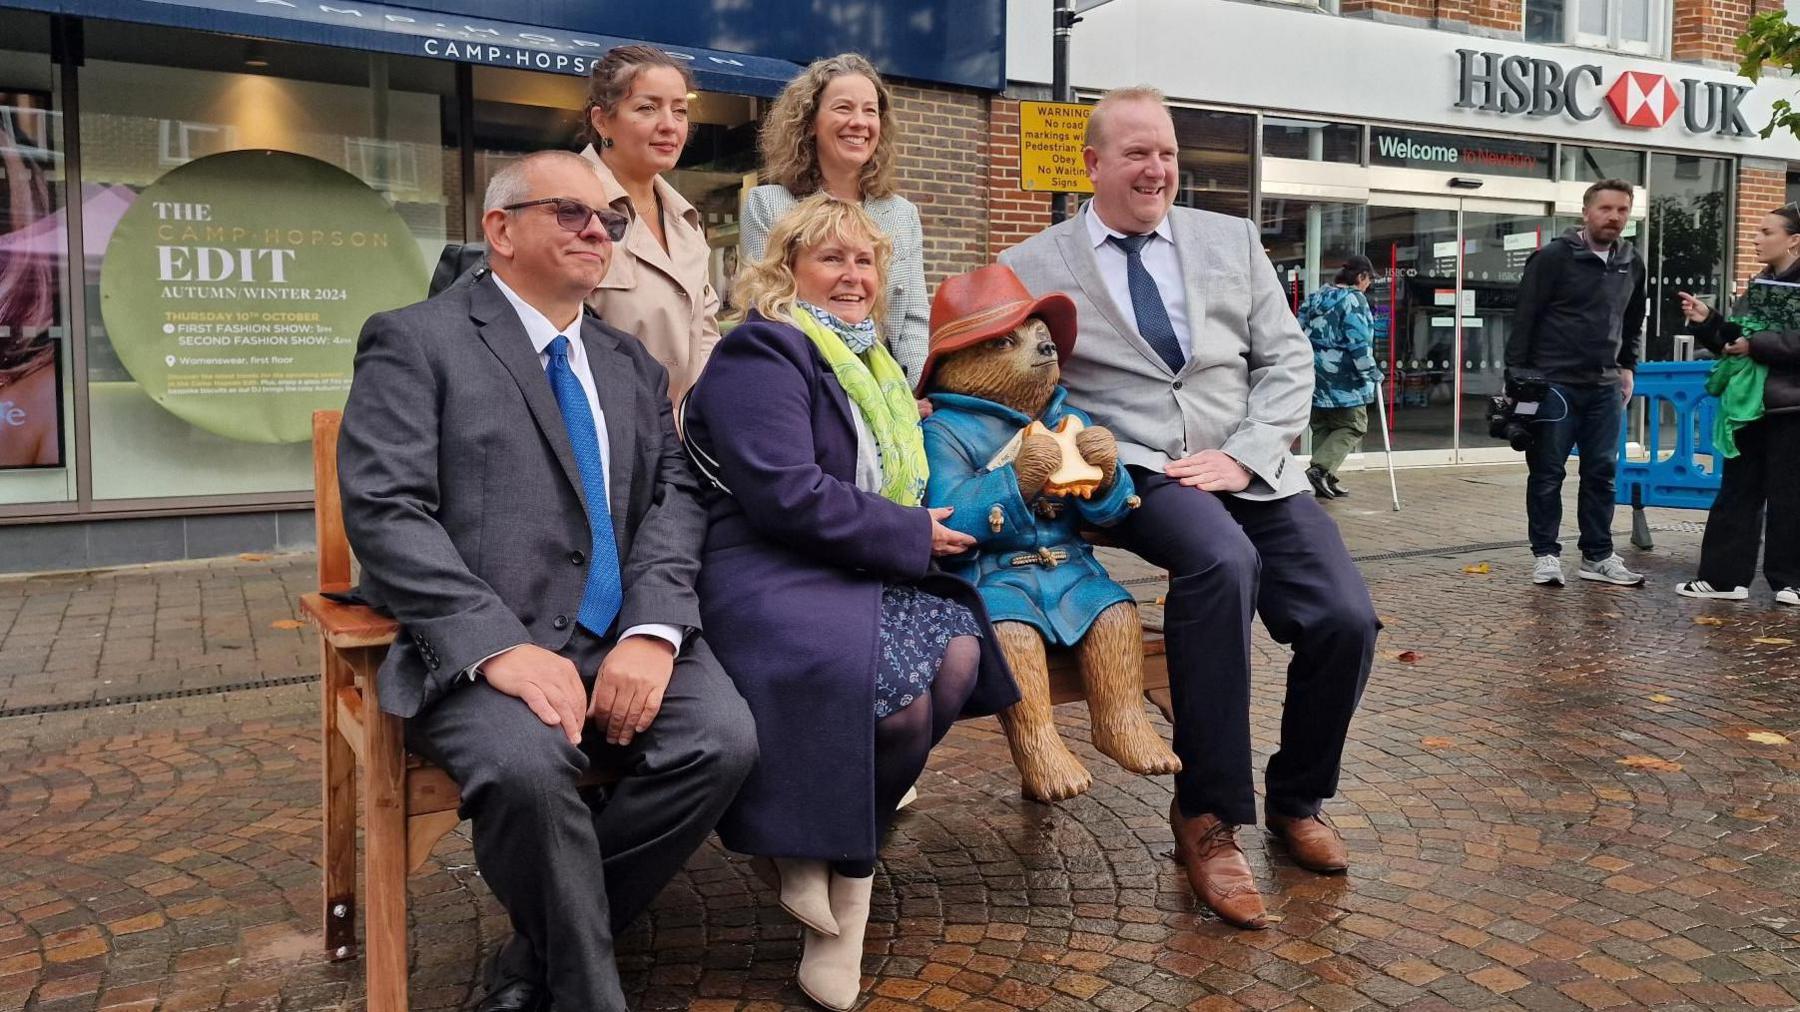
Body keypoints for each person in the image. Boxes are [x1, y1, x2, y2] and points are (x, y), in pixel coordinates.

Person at [337, 150, 757, 1012]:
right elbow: (384, 510)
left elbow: (676, 499)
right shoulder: (416, 340)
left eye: (610, 216)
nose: (597, 229)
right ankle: (583, 990)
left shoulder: (630, 364)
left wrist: (652, 631)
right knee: (527, 770)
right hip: (488, 644)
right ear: (500, 229)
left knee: (723, 742)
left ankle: (538, 952)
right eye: (571, 212)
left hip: (618, 635)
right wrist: (497, 648)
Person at [999, 87, 1379, 931]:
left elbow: (1287, 361)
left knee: (1345, 619)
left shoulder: (1231, 240)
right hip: (1134, 472)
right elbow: (1025, 392)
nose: (1157, 168)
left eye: (1167, 152)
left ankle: (1298, 798)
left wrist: (1244, 455)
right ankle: (1207, 820)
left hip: (1246, 465)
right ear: (1093, 163)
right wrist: (1074, 466)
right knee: (1219, 562)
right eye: (1136, 153)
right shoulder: (1034, 262)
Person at [685, 194, 1018, 1010]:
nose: (852, 275)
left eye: (865, 260)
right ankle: (827, 896)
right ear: (787, 267)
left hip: (857, 564)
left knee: (961, 657)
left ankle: (835, 875)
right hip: (769, 569)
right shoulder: (765, 349)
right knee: (894, 710)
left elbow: (906, 480)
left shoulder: (877, 369)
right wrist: (909, 534)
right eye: (831, 258)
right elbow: (784, 494)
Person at [739, 53, 930, 391]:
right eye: (843, 108)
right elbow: (768, 309)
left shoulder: (902, 215)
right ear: (810, 122)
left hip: (889, 389)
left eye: (870, 111)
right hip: (807, 384)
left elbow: (913, 318)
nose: (859, 122)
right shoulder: (768, 204)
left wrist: (915, 394)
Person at [1505, 178, 1647, 588]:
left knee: (1602, 471)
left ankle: (1598, 555)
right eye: (1606, 209)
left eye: (1622, 210)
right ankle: (1546, 554)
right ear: (1586, 212)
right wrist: (1518, 380)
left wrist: (1627, 366)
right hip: (1555, 383)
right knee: (1548, 472)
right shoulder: (1553, 258)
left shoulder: (1631, 261)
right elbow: (1525, 320)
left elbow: (1633, 319)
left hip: (1604, 385)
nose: (1614, 217)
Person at [578, 44, 723, 408]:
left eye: (680, 110)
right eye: (647, 107)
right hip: (601, 434)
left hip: (682, 442)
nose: (669, 125)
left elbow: (706, 334)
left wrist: (698, 419)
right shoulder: (565, 205)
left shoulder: (686, 220)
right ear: (602, 120)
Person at [1674, 204, 1800, 606]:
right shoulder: (1761, 283)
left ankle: (1791, 582)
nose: (1756, 238)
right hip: (1748, 407)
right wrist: (1708, 321)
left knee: (1791, 495)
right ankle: (1723, 578)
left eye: (1766, 232)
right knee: (1737, 492)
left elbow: (1767, 343)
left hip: (1791, 408)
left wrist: (1756, 344)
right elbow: (1735, 343)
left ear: (1794, 240)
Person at [1299, 255, 1380, 499]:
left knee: (1324, 425)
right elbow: (1359, 342)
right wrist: (1371, 373)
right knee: (1353, 425)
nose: (1369, 285)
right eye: (1369, 279)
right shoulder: (1355, 300)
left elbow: (1297, 330)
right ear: (1361, 277)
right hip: (1345, 379)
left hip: (1314, 374)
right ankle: (1320, 469)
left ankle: (1325, 477)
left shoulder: (1316, 297)